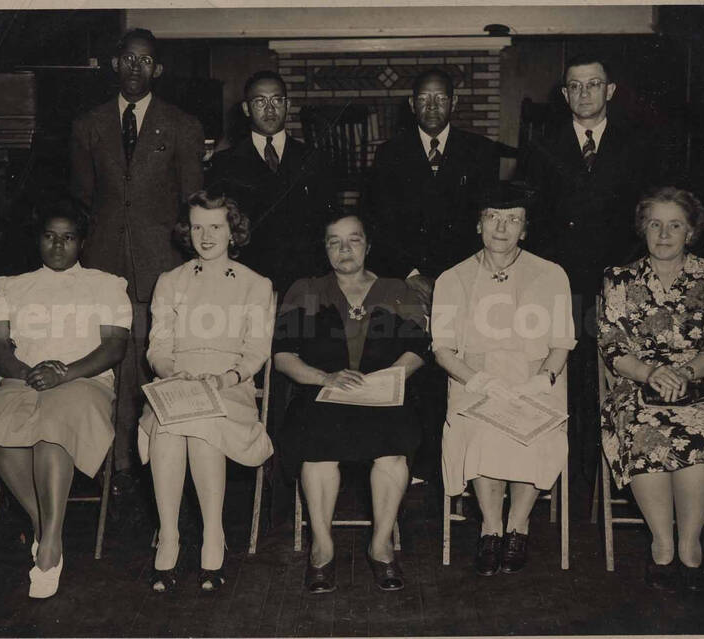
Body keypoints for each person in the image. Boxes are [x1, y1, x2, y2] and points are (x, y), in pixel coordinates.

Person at [0, 200, 132, 598]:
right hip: (23, 379)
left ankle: (48, 550)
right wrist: (27, 373)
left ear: (82, 242)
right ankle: (46, 528)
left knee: (52, 428)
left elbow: (114, 348)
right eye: (49, 237)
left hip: (84, 381)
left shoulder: (108, 285)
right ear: (38, 239)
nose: (58, 247)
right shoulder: (11, 286)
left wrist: (65, 372)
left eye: (68, 238)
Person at [69, 28, 205, 481]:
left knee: (153, 355)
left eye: (145, 61)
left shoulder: (183, 125)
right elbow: (85, 195)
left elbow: (192, 199)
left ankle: (153, 454)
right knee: (108, 354)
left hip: (160, 262)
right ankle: (112, 455)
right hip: (104, 260)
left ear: (158, 70)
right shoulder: (88, 124)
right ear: (114, 64)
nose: (135, 67)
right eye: (128, 58)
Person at [522, 53, 660, 481]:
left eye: (593, 85)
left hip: (620, 279)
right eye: (575, 87)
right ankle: (572, 469)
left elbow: (649, 215)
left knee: (616, 370)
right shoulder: (542, 142)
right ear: (564, 95)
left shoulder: (640, 142)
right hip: (562, 280)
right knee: (569, 371)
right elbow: (534, 216)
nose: (584, 94)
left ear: (610, 91)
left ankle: (614, 467)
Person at [273, 211, 428, 594]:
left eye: (354, 239)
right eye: (334, 241)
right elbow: (283, 356)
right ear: (323, 248)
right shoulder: (305, 290)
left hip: (384, 395)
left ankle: (381, 547)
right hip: (322, 396)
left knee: (393, 450)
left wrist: (388, 378)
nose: (345, 249)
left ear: (368, 245)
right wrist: (325, 377)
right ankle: (322, 549)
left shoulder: (398, 289)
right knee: (317, 450)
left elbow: (417, 349)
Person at [598, 186, 704, 592]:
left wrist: (684, 374)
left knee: (700, 431)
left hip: (702, 386)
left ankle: (690, 545)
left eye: (674, 225)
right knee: (644, 430)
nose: (664, 234)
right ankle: (662, 545)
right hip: (637, 385)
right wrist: (650, 373)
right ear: (643, 229)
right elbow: (611, 344)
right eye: (655, 224)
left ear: (690, 232)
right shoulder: (619, 279)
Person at [431, 182, 576, 577]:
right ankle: (491, 528)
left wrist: (540, 381)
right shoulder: (452, 279)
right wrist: (481, 383)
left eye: (513, 220)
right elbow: (443, 349)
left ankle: (519, 526)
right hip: (474, 382)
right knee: (481, 431)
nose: (501, 228)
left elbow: (562, 342)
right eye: (493, 217)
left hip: (535, 381)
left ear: (525, 229)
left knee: (537, 428)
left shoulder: (551, 275)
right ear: (478, 225)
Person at [139, 188, 274, 593]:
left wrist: (223, 380)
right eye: (198, 227)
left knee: (201, 428)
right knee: (168, 426)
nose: (206, 236)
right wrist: (174, 374)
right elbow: (157, 347)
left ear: (233, 231)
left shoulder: (255, 284)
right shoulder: (170, 281)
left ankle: (212, 535)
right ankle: (169, 535)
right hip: (178, 378)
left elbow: (255, 352)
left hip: (229, 384)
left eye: (216, 226)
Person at [367, 68, 499, 483]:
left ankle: (459, 464)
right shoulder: (390, 154)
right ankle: (416, 462)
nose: (432, 106)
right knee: (413, 361)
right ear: (411, 105)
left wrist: (456, 281)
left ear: (454, 103)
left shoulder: (480, 153)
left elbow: (486, 222)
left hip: (465, 281)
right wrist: (412, 274)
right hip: (407, 281)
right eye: (423, 99)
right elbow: (378, 223)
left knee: (460, 362)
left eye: (440, 99)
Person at [210, 70, 336, 297]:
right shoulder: (223, 164)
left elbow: (327, 223)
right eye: (260, 101)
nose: (269, 109)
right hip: (245, 282)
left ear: (288, 105)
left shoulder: (314, 158)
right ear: (247, 109)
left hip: (304, 283)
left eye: (277, 100)